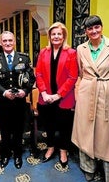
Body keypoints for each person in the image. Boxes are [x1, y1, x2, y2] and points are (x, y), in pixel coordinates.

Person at [71, 15, 109, 181]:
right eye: (90, 28)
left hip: (107, 92)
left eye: (97, 27)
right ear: (86, 31)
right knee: (85, 131)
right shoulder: (81, 49)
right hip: (87, 92)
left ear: (101, 27)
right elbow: (80, 73)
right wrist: (79, 91)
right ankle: (89, 169)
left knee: (108, 135)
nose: (94, 31)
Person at [0, 31, 35, 169]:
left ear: (14, 42)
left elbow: (31, 78)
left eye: (10, 40)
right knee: (5, 130)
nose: (8, 43)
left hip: (19, 102)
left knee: (18, 130)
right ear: (1, 43)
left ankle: (18, 155)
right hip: (2, 102)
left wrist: (25, 91)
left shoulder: (24, 59)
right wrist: (4, 92)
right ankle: (5, 155)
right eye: (5, 41)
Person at [35, 22, 78, 168]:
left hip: (63, 98)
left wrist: (58, 95)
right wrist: (44, 93)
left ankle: (63, 150)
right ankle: (51, 147)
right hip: (46, 97)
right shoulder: (43, 52)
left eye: (59, 34)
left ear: (64, 36)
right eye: (53, 34)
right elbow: (38, 73)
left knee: (64, 126)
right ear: (49, 36)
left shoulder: (71, 53)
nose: (56, 36)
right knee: (49, 125)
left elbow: (73, 77)